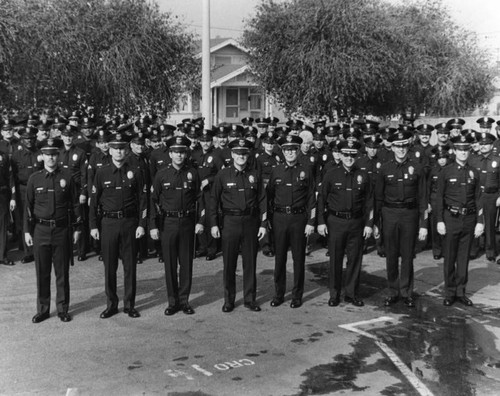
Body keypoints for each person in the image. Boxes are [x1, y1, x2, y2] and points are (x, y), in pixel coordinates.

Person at [89, 132, 147, 319]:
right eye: (115, 148)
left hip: (130, 223)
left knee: (130, 266)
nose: (119, 152)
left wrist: (141, 224)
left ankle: (129, 305)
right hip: (109, 224)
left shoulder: (135, 171)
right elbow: (94, 201)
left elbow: (143, 200)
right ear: (110, 150)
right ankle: (111, 304)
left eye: (122, 148)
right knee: (110, 266)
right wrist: (93, 226)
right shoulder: (102, 172)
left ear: (126, 150)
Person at [24, 138, 81, 323]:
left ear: (58, 156)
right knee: (42, 272)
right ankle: (43, 309)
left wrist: (77, 228)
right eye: (47, 154)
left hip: (62, 229)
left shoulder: (67, 177)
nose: (50, 158)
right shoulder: (34, 179)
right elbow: (28, 207)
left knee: (62, 272)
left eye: (54, 154)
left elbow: (75, 204)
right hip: (40, 230)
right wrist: (26, 231)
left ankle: (63, 308)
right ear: (41, 156)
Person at [209, 138, 267, 313]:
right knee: (229, 264)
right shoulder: (223, 175)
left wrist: (263, 224)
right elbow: (213, 201)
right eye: (238, 153)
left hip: (250, 222)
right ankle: (229, 300)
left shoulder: (255, 174)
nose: (241, 156)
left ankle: (250, 299)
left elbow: (262, 200)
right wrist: (213, 224)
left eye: (244, 153)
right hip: (230, 223)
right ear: (232, 154)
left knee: (250, 262)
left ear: (248, 155)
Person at [150, 136, 204, 315]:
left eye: (182, 152)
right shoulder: (161, 174)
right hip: (168, 223)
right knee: (170, 264)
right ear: (170, 154)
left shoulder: (193, 173)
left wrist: (200, 222)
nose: (179, 155)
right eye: (176, 152)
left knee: (186, 263)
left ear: (186, 154)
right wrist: (153, 225)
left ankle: (184, 301)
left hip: (188, 223)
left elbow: (199, 199)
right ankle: (172, 302)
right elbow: (153, 200)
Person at [374, 130, 428, 308]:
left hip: (410, 215)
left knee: (407, 255)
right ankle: (392, 291)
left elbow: (423, 198)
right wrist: (377, 223)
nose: (401, 149)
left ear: (408, 147)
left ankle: (406, 292)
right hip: (390, 214)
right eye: (397, 146)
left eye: (404, 146)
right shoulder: (385, 168)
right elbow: (378, 198)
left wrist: (423, 224)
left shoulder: (417, 168)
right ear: (392, 148)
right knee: (390, 255)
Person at [317, 141, 373, 307]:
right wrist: (321, 222)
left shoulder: (363, 175)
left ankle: (351, 293)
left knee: (355, 259)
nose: (349, 158)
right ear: (340, 155)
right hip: (336, 222)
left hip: (356, 222)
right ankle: (334, 294)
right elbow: (321, 200)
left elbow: (369, 202)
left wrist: (369, 223)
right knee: (335, 258)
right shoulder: (331, 174)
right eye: (346, 154)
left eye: (352, 155)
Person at [267, 134, 316, 308]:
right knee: (279, 258)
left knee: (298, 259)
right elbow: (269, 196)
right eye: (286, 149)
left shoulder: (306, 170)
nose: (290, 153)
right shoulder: (276, 171)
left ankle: (297, 295)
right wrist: (269, 220)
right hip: (280, 218)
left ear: (298, 151)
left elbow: (311, 198)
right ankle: (279, 294)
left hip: (299, 219)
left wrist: (311, 222)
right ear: (282, 151)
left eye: (293, 149)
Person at [435, 134, 484, 306]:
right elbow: (439, 198)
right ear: (454, 151)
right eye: (460, 150)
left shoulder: (474, 172)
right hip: (451, 218)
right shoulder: (446, 171)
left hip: (469, 218)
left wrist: (480, 221)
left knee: (463, 257)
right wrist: (439, 220)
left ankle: (460, 292)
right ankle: (449, 292)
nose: (463, 153)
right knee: (449, 256)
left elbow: (479, 198)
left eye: (466, 150)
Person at [467, 131, 500, 262]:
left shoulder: (497, 160)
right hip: (477, 196)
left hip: (492, 196)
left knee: (490, 224)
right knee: (476, 221)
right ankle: (474, 249)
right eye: (481, 143)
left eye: (486, 144)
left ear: (492, 145)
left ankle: (490, 250)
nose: (483, 146)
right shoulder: (473, 160)